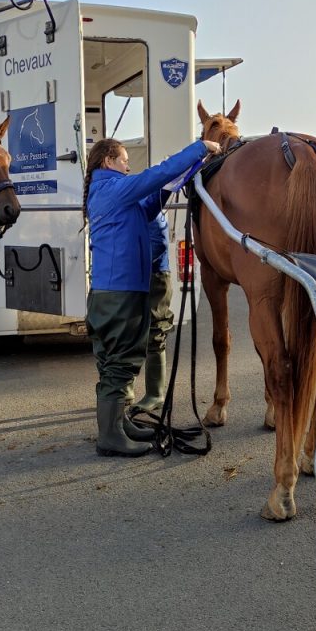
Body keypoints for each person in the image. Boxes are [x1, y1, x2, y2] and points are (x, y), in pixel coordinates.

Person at [83, 136, 220, 456]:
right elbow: (156, 175)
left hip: (110, 291)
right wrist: (200, 148)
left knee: (113, 362)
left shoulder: (107, 192)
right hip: (121, 292)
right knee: (121, 362)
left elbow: (149, 203)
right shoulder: (114, 188)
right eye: (123, 160)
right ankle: (110, 436)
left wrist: (183, 174)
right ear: (108, 162)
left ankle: (117, 424)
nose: (128, 166)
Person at [131, 208, 174, 415]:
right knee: (132, 331)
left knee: (155, 331)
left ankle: (155, 394)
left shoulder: (149, 208)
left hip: (155, 275)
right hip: (143, 274)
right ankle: (126, 389)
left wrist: (135, 264)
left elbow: (159, 243)